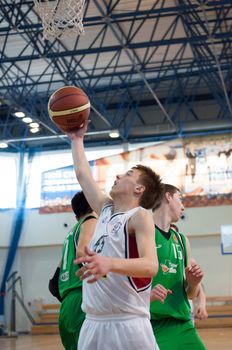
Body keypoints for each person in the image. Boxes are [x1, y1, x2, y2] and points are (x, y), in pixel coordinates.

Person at [67, 120, 163, 350]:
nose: (119, 174)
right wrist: (77, 139)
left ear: (139, 189)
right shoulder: (105, 209)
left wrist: (109, 263)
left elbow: (151, 266)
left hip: (128, 325)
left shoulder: (139, 216)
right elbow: (83, 175)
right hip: (92, 323)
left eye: (128, 174)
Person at [150, 183, 206, 350]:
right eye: (179, 199)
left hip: (182, 324)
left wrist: (194, 282)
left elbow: (190, 294)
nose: (183, 206)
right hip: (149, 323)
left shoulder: (182, 240)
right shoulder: (143, 232)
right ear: (167, 196)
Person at [48, 191, 97, 350]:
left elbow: (53, 285)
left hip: (67, 307)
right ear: (94, 203)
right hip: (83, 300)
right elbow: (82, 254)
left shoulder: (70, 234)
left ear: (76, 217)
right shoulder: (91, 221)